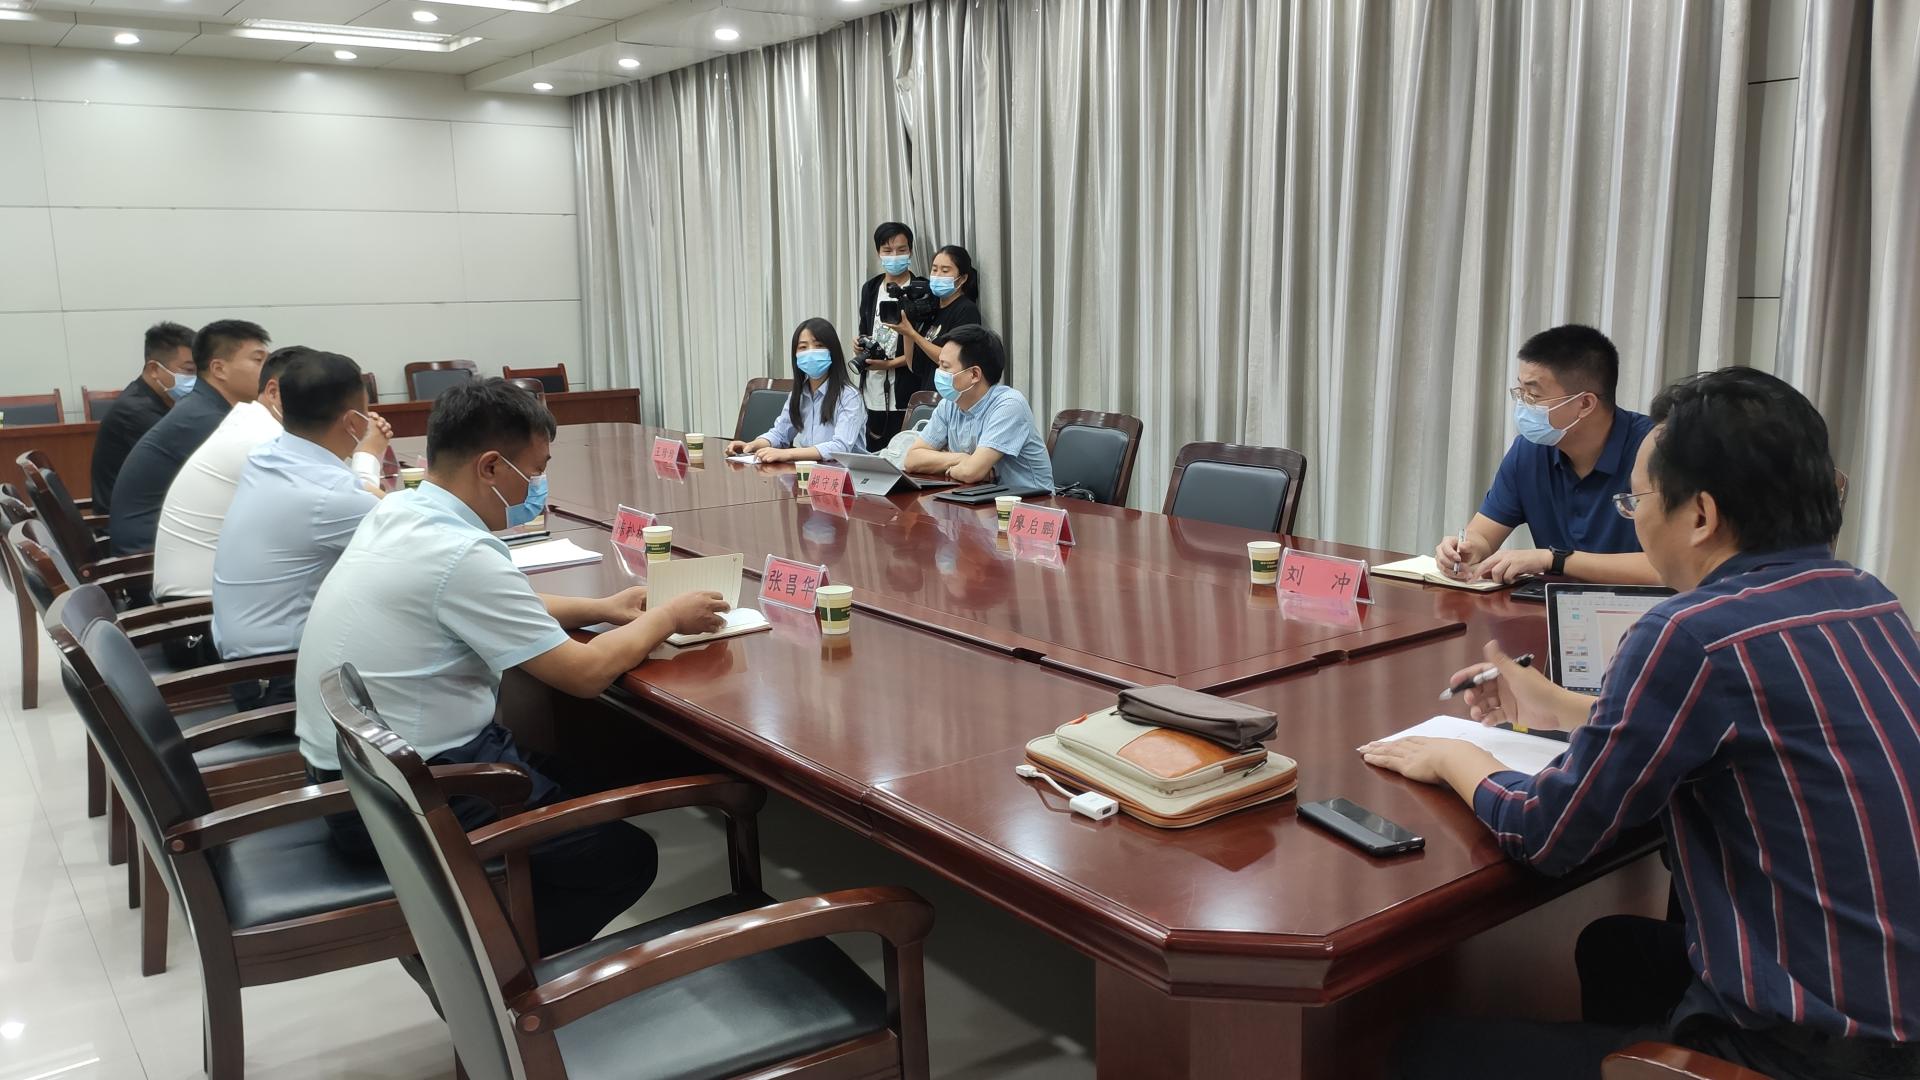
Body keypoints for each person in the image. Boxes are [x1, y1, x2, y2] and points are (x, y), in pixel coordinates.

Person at [1364, 368, 1920, 1080]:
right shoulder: (1867, 597)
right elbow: (1743, 727)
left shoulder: (1692, 632)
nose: (1634, 517)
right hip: (1893, 1011)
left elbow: (1548, 834)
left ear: (1701, 515)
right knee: (1615, 950)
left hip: (1809, 1051)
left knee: (1423, 1050)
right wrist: (1558, 708)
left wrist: (1452, 755)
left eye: (1638, 500)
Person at [293, 378, 730, 954]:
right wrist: (668, 616)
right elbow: (584, 674)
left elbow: (493, 601)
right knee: (622, 858)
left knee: (591, 769)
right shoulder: (460, 554)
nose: (539, 487)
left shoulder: (404, 510)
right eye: (536, 470)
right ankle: (499, 970)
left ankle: (501, 923)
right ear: (492, 467)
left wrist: (603, 608)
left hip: (359, 775)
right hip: (414, 794)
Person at [212, 351, 388, 711]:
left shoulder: (271, 455)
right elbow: (417, 529)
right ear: (353, 421)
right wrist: (369, 454)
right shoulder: (327, 495)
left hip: (251, 669)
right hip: (281, 679)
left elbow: (354, 496)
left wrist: (366, 460)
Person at [151, 346, 390, 600]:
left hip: (230, 595)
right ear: (274, 392)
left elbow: (344, 494)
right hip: (196, 604)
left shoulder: (263, 437)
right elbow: (360, 503)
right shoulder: (259, 442)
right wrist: (367, 452)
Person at [1435, 325, 1659, 585]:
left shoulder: (1656, 451)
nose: (1522, 404)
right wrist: (1465, 549)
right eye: (1520, 392)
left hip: (1643, 607)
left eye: (1533, 395)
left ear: (1585, 404)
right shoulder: (1529, 451)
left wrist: (1554, 560)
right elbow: (1483, 535)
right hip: (1552, 604)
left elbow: (1668, 567)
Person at [109, 319, 271, 555]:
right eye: (258, 360)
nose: (268, 371)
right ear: (219, 369)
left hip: (173, 537)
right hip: (150, 553)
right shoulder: (204, 419)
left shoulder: (205, 407)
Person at [904, 325, 1053, 491]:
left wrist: (956, 464)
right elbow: (912, 459)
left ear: (974, 374)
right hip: (978, 497)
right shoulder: (949, 404)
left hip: (1030, 502)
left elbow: (971, 472)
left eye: (945, 367)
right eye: (939, 365)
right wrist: (961, 458)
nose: (938, 372)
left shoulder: (1009, 405)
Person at [90, 322, 197, 515]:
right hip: (129, 520)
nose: (197, 379)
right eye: (189, 370)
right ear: (154, 369)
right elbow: (188, 463)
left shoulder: (158, 398)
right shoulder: (135, 411)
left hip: (150, 508)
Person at [726, 318, 866, 463]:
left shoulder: (849, 396)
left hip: (846, 473)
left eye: (819, 346)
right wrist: (751, 446)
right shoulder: (798, 394)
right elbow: (780, 434)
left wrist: (788, 454)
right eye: (803, 347)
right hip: (810, 471)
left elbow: (840, 448)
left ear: (833, 351)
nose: (811, 352)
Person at [886, 243, 983, 407]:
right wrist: (907, 328)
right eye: (934, 269)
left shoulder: (966, 310)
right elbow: (913, 366)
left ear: (962, 278)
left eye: (945, 271)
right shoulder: (931, 309)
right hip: (928, 398)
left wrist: (913, 334)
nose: (937, 275)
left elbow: (952, 360)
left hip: (953, 400)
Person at [854, 221, 927, 440]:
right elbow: (865, 328)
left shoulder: (921, 290)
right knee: (873, 448)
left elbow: (925, 346)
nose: (894, 256)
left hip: (906, 388)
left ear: (910, 251)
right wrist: (859, 345)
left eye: (901, 250)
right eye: (887, 250)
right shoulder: (871, 288)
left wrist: (889, 364)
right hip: (872, 388)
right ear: (878, 253)